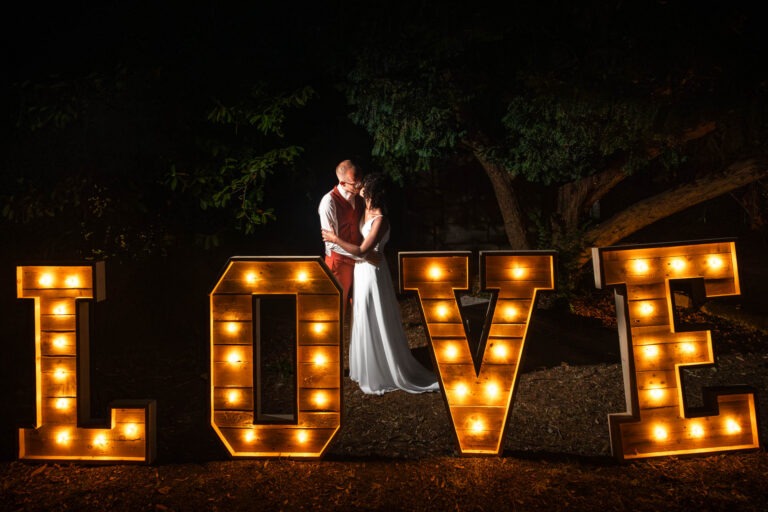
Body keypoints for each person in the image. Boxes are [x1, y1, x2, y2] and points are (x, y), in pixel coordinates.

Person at [322, 173, 439, 395]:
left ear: (372, 191)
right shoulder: (362, 209)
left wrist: (335, 239)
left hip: (374, 273)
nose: (360, 187)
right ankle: (367, 367)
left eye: (364, 186)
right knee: (362, 314)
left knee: (373, 313)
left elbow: (363, 250)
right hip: (361, 270)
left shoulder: (381, 218)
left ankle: (384, 370)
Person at [318, 159, 366, 309]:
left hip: (360, 262)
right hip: (339, 264)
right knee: (337, 309)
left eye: (360, 179)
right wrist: (359, 254)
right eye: (354, 182)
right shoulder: (329, 201)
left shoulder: (361, 198)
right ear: (343, 183)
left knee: (360, 309)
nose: (359, 184)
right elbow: (330, 242)